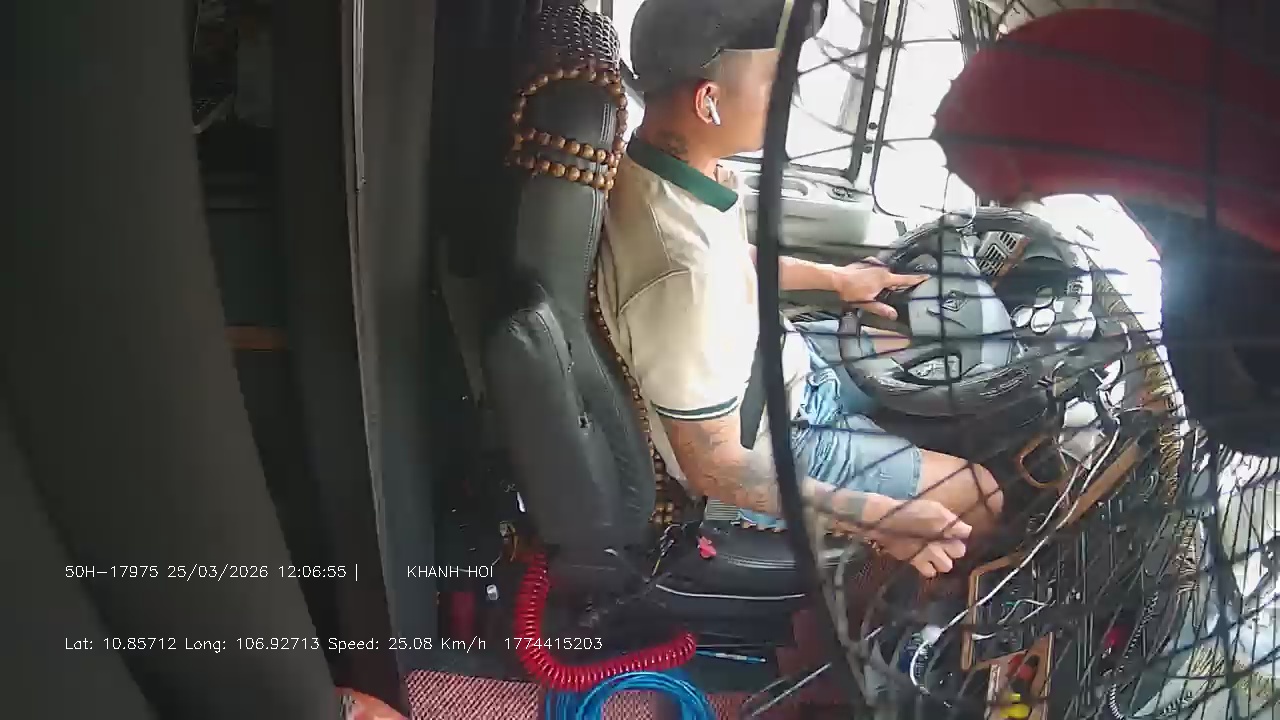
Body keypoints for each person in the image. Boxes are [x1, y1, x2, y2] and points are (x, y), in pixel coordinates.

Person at [595, 0, 1003, 577]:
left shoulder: (666, 171)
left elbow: (732, 260)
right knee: (982, 495)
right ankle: (894, 606)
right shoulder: (683, 277)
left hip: (776, 365)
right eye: (776, 81)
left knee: (924, 349)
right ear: (709, 102)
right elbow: (716, 466)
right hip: (771, 436)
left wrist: (840, 280)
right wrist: (876, 518)